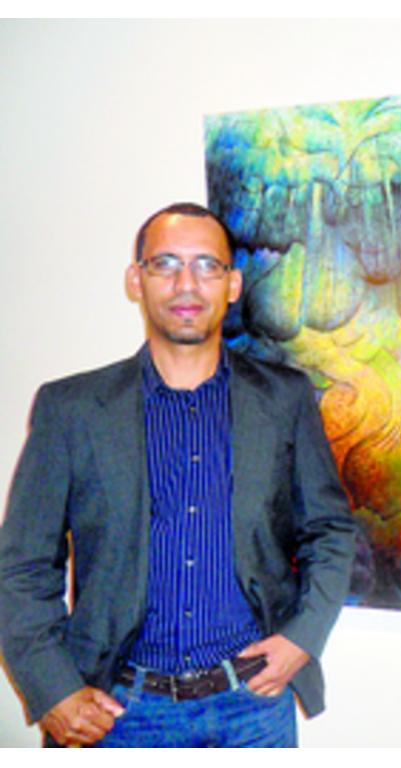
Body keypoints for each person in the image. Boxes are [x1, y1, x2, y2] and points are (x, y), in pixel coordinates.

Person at [0, 202, 357, 747]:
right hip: (118, 714)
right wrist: (53, 689)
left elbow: (329, 531)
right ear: (136, 280)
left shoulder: (284, 399)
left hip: (253, 710)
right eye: (164, 263)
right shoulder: (71, 409)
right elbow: (22, 566)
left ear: (232, 284)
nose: (185, 284)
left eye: (206, 265)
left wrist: (302, 638)